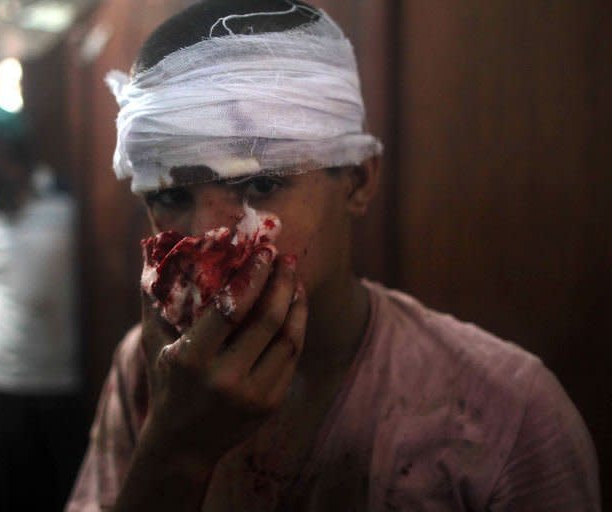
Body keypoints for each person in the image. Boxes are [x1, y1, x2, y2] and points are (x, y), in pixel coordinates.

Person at [67, 1, 601, 510]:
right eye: (170, 196)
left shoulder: (504, 414)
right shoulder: (151, 369)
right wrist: (174, 450)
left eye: (262, 185)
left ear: (358, 182)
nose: (211, 237)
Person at [0, 102, 85, 511]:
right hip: (3, 383)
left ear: (8, 150)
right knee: (15, 495)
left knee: (66, 492)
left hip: (63, 382)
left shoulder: (65, 201)